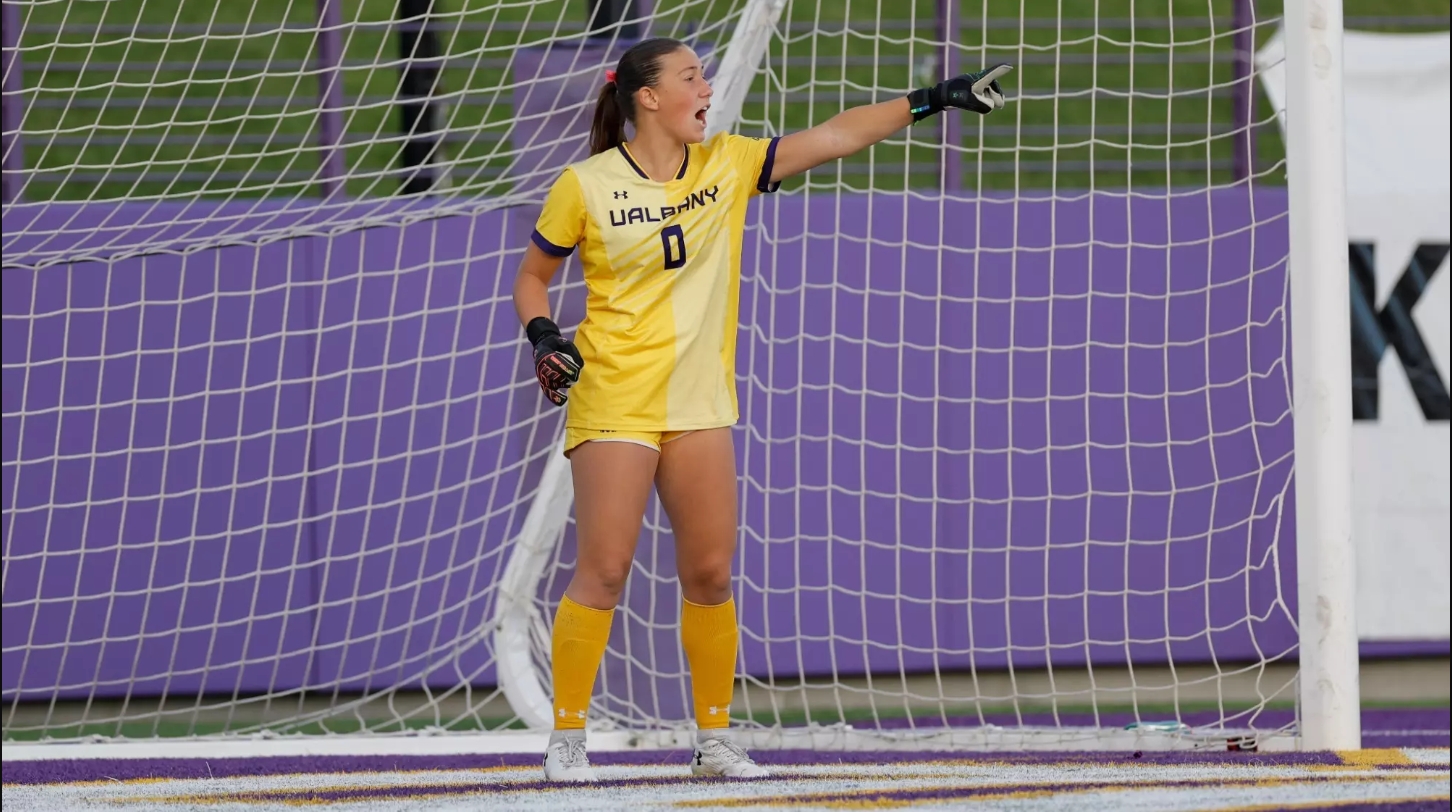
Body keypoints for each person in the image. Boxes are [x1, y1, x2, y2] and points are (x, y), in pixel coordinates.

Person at [512, 36, 1008, 782]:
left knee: (710, 573)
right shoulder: (584, 184)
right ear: (648, 97)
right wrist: (544, 336)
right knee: (605, 571)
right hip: (615, 396)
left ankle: (713, 740)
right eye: (691, 78)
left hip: (700, 403)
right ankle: (568, 739)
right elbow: (531, 278)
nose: (705, 88)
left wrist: (930, 100)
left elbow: (835, 135)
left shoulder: (729, 163)